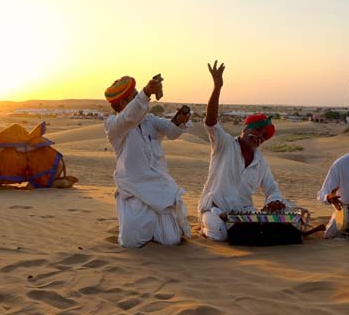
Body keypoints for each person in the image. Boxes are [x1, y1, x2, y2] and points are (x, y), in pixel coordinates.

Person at [198, 61, 290, 241]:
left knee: (278, 218)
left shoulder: (260, 162)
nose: (259, 138)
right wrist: (217, 87)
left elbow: (271, 188)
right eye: (257, 131)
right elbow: (210, 121)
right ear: (246, 129)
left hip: (244, 213)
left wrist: (274, 200)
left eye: (263, 136)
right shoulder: (224, 144)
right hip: (215, 209)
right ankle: (206, 226)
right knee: (219, 234)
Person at [104, 75, 192, 247]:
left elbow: (172, 132)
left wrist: (180, 120)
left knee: (171, 240)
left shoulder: (149, 121)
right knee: (130, 241)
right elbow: (128, 118)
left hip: (160, 188)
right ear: (122, 104)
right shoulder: (113, 125)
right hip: (134, 190)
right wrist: (145, 93)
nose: (141, 100)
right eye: (134, 97)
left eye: (139, 95)